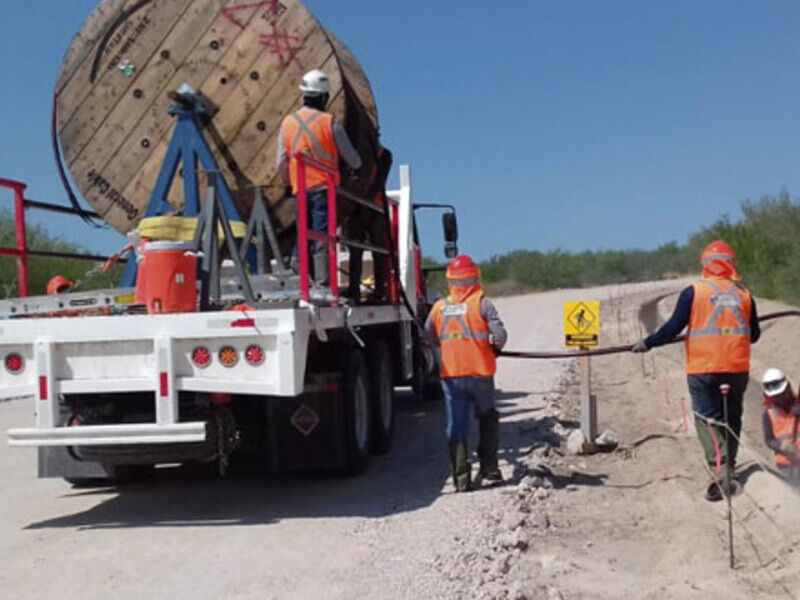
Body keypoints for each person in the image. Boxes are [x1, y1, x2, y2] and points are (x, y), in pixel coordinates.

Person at [632, 240, 760, 501]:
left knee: (707, 419)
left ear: (705, 266)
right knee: (732, 417)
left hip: (704, 368)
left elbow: (672, 329)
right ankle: (730, 465)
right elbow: (754, 335)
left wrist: (648, 342)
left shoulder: (694, 292)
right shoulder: (744, 294)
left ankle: (722, 470)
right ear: (731, 265)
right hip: (737, 368)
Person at [425, 255, 508, 492]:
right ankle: (490, 470)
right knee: (487, 417)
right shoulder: (482, 303)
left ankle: (461, 478)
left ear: (450, 279)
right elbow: (500, 337)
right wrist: (494, 347)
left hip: (452, 377)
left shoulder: (439, 307)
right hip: (481, 372)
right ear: (475, 276)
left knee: (457, 425)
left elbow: (429, 335)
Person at [277, 69, 362, 285]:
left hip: (299, 189)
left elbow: (281, 161)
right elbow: (352, 158)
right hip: (323, 189)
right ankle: (323, 281)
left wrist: (289, 182)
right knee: (321, 234)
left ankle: (298, 265)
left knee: (302, 231)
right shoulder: (330, 122)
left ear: (304, 95)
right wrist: (357, 166)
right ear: (323, 97)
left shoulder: (287, 123)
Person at [342, 145, 392, 304]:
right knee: (355, 250)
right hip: (357, 208)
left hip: (374, 208)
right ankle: (354, 291)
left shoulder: (383, 155)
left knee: (378, 250)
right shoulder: (355, 153)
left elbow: (379, 181)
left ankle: (379, 291)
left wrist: (364, 201)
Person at [761, 368, 800, 483]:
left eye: (781, 394)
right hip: (786, 466)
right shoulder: (768, 414)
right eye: (776, 396)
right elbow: (769, 440)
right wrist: (782, 447)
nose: (779, 398)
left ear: (788, 388)